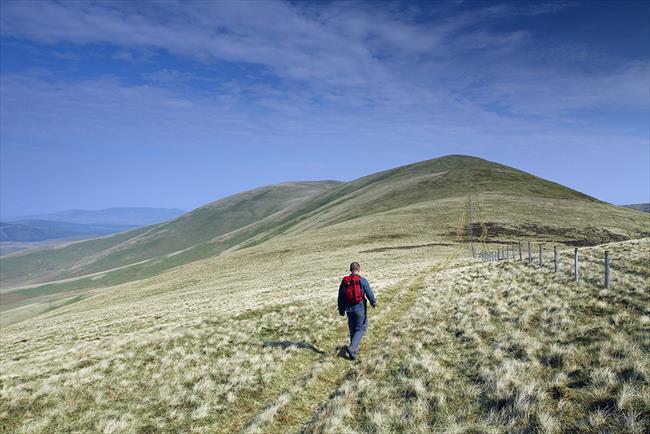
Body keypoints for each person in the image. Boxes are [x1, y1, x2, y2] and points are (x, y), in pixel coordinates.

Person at [337, 261, 376, 360]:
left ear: (350, 270)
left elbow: (341, 297)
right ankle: (352, 348)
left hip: (349, 310)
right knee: (361, 328)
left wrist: (341, 310)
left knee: (352, 329)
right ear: (358, 269)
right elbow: (369, 293)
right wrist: (373, 302)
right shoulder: (362, 280)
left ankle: (353, 352)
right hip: (360, 309)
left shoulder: (345, 281)